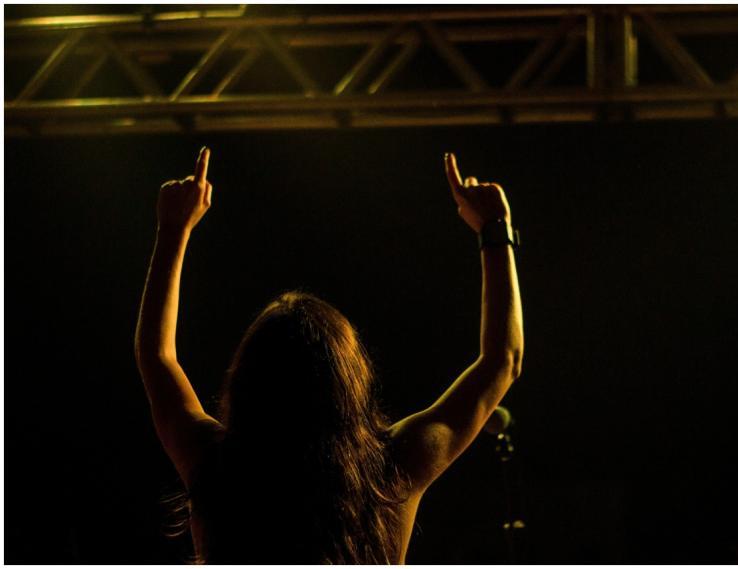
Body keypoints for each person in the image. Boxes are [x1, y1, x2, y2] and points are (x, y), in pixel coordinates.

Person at [134, 147, 524, 564]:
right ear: (351, 377)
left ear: (247, 380)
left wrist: (173, 229)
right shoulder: (391, 469)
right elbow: (503, 360)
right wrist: (495, 231)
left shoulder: (213, 465)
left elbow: (157, 356)